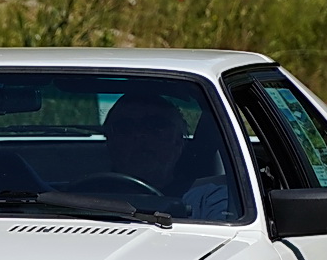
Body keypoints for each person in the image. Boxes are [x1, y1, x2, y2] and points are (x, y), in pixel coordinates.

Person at [98, 92, 234, 220]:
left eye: (155, 126)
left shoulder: (207, 200)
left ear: (179, 141)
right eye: (125, 127)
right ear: (109, 141)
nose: (139, 135)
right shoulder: (83, 197)